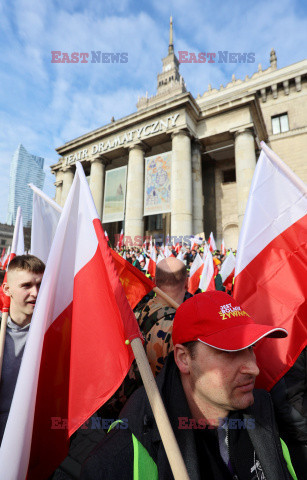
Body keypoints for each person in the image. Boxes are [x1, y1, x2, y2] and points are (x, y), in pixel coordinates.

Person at [81, 291, 296, 480]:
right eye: (230, 352)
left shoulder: (261, 414)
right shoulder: (120, 456)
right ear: (184, 359)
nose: (253, 368)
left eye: (251, 348)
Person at [0, 254, 45, 444]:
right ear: (7, 289)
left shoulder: (52, 331)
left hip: (32, 437)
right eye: (26, 286)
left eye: (40, 285)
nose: (35, 292)